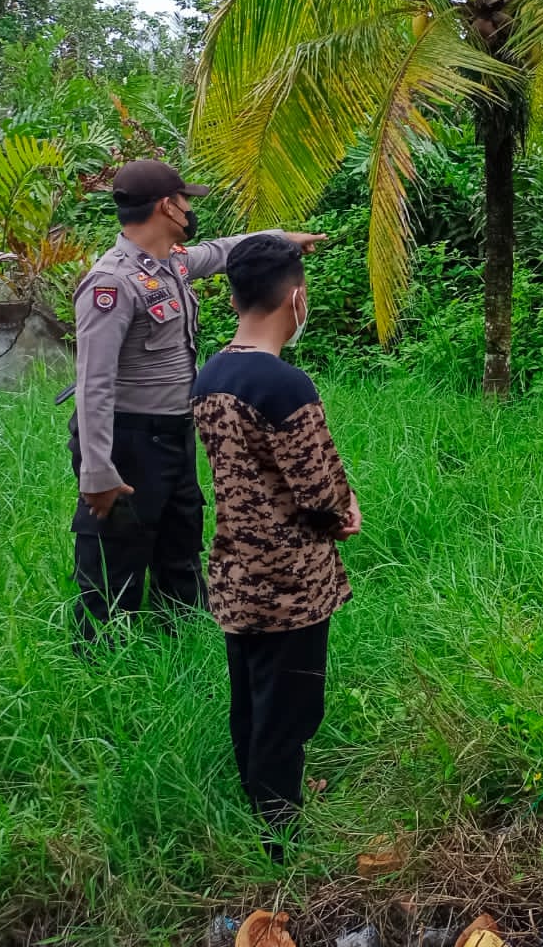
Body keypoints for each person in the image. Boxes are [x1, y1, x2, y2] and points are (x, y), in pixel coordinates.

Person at [66, 160, 324, 646]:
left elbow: (222, 252)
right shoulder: (112, 283)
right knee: (113, 562)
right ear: (168, 206)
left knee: (179, 550)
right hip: (127, 441)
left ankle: (179, 647)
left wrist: (281, 239)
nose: (189, 209)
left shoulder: (170, 263)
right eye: (186, 201)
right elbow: (93, 383)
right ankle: (102, 665)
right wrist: (97, 470)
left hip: (173, 436)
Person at [192, 235, 360, 861]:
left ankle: (259, 799)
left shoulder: (210, 373)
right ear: (295, 297)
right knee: (291, 708)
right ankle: (280, 838)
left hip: (236, 569)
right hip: (291, 582)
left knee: (252, 695)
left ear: (234, 296)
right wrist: (346, 510)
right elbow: (319, 492)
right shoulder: (287, 385)